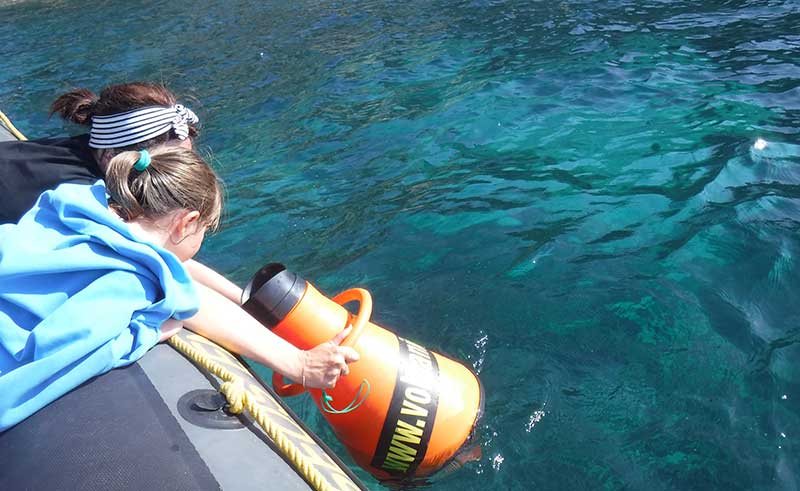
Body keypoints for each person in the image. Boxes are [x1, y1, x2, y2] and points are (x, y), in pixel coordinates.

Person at [0, 146, 359, 431]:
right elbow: (46, 365)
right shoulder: (127, 285)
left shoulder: (72, 208)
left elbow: (177, 272)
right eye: (205, 229)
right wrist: (145, 333)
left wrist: (245, 304)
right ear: (187, 222)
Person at [0, 82, 241, 304]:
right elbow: (158, 262)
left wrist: (241, 298)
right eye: (164, 166)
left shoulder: (87, 147)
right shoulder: (84, 197)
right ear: (111, 157)